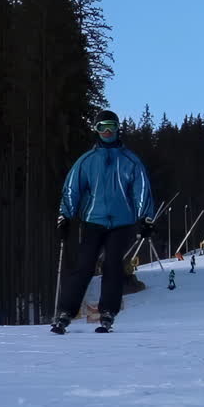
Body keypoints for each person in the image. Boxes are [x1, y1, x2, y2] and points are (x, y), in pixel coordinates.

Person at [52, 109, 155, 335]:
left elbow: (142, 190)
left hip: (121, 222)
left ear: (118, 129)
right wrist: (65, 216)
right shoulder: (87, 161)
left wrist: (145, 217)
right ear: (95, 130)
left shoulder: (130, 161)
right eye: (102, 127)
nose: (107, 132)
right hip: (93, 220)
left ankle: (108, 311)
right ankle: (65, 312)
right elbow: (72, 189)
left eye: (111, 127)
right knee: (84, 265)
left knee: (112, 265)